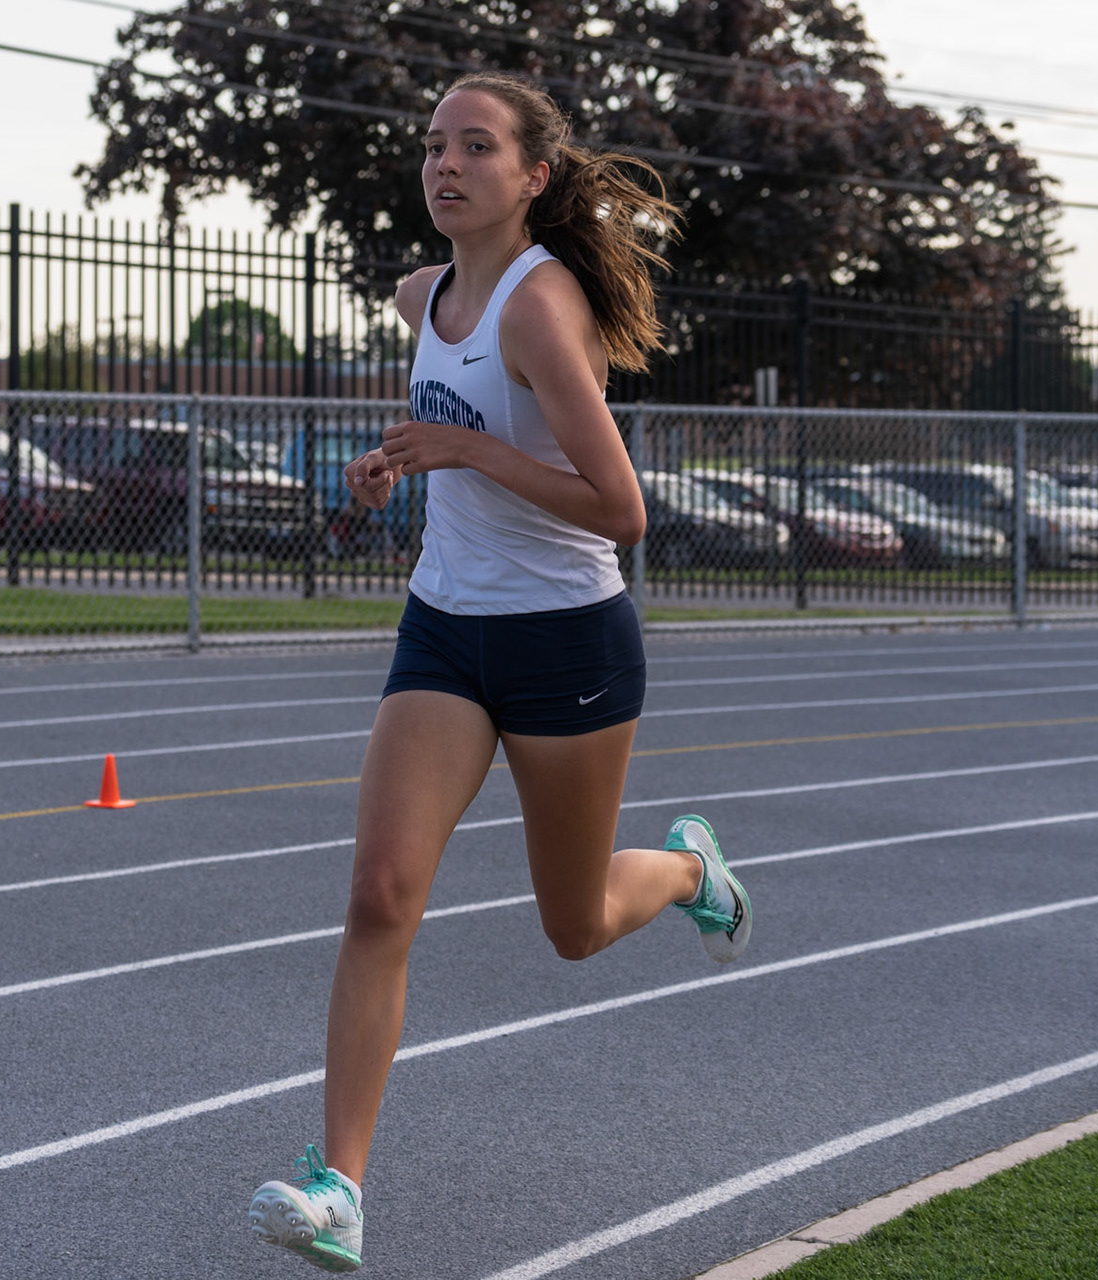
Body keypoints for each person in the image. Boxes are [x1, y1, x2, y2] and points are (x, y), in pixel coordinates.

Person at [247, 71, 753, 1273]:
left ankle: (691, 869)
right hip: (443, 629)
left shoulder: (540, 307)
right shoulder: (421, 294)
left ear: (533, 175)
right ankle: (340, 1189)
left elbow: (621, 509)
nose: (446, 163)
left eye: (476, 145)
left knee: (575, 926)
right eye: (434, 144)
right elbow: (449, 423)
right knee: (381, 893)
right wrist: (398, 460)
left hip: (567, 639)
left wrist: (465, 448)